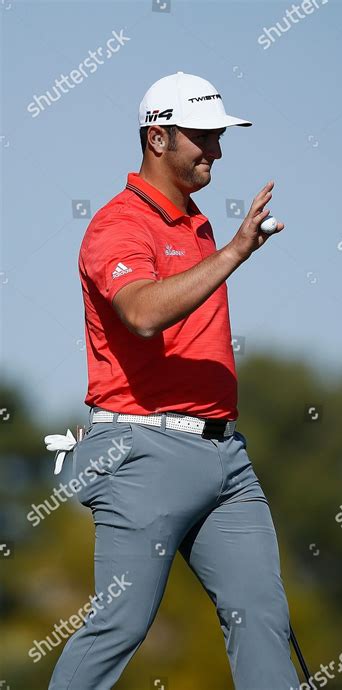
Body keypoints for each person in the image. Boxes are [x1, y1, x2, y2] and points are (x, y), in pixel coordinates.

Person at [48, 71, 300, 690]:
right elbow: (140, 313)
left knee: (263, 616)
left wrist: (226, 249)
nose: (215, 150)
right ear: (158, 139)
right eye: (203, 137)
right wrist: (236, 253)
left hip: (225, 457)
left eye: (218, 137)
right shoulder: (116, 226)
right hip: (142, 453)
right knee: (121, 625)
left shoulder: (198, 224)